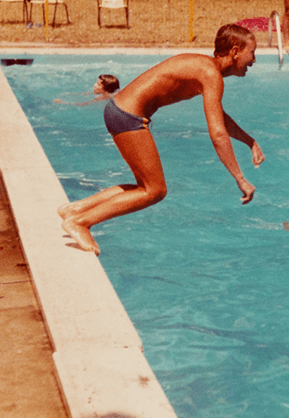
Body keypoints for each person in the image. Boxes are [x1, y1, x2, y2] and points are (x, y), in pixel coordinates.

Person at [58, 24, 265, 255]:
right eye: (252, 53)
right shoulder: (210, 73)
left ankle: (75, 209)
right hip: (127, 116)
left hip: (120, 112)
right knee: (155, 191)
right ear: (235, 51)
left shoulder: (206, 68)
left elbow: (220, 117)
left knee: (145, 187)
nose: (254, 60)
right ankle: (81, 222)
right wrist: (240, 178)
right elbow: (217, 134)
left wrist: (250, 141)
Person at [54, 74, 120, 105]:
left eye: (98, 85)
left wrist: (63, 102)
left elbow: (84, 104)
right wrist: (72, 94)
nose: (95, 85)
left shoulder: (102, 97)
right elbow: (90, 94)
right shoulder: (109, 94)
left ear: (107, 89)